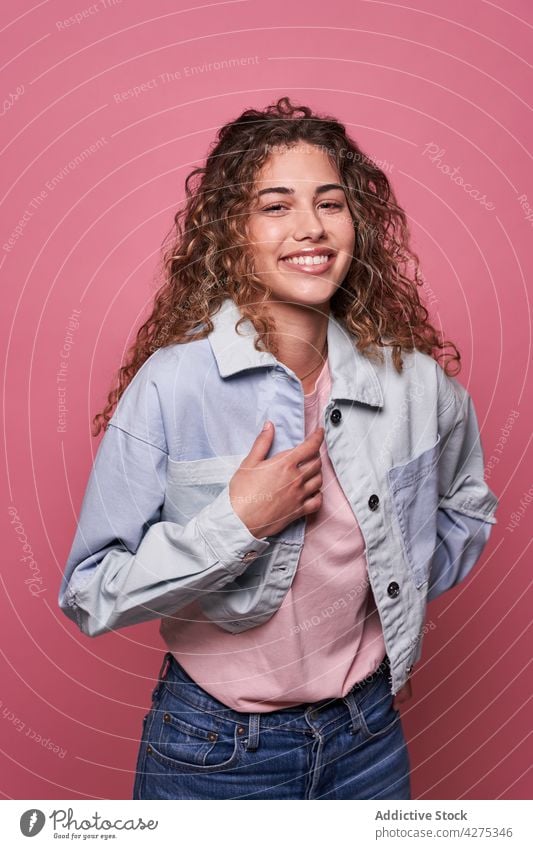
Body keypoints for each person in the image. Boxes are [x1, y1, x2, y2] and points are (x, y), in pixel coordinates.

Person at [58, 97, 499, 800]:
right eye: (275, 206)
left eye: (330, 202)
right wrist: (237, 522)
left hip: (368, 738)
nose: (309, 228)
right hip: (213, 750)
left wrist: (399, 579)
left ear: (357, 224)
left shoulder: (414, 384)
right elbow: (89, 590)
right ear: (233, 231)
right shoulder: (173, 385)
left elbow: (466, 506)